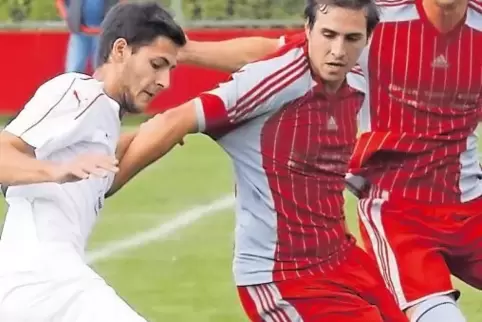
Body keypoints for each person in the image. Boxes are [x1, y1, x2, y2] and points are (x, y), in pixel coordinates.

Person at [176, 0, 482, 321]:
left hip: (470, 200)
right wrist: (186, 52)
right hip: (397, 207)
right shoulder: (373, 20)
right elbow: (276, 53)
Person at [108, 1, 408, 321]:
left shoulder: (357, 69)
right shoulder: (275, 82)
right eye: (328, 35)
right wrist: (107, 186)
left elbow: (268, 47)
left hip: (340, 257)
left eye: (351, 39)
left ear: (367, 39)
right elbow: (174, 121)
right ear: (308, 31)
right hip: (284, 277)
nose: (337, 50)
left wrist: (186, 50)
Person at [0, 2, 186, 321]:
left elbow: (104, 176)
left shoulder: (105, 116)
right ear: (120, 50)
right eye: (157, 64)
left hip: (44, 286)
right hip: (44, 280)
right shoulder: (79, 92)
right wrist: (54, 171)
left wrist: (160, 132)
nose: (164, 81)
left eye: (170, 69)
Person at [56, 0, 121, 72]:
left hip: (103, 34)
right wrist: (69, 19)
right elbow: (60, 2)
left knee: (102, 69)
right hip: (80, 32)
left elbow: (122, 3)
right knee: (74, 69)